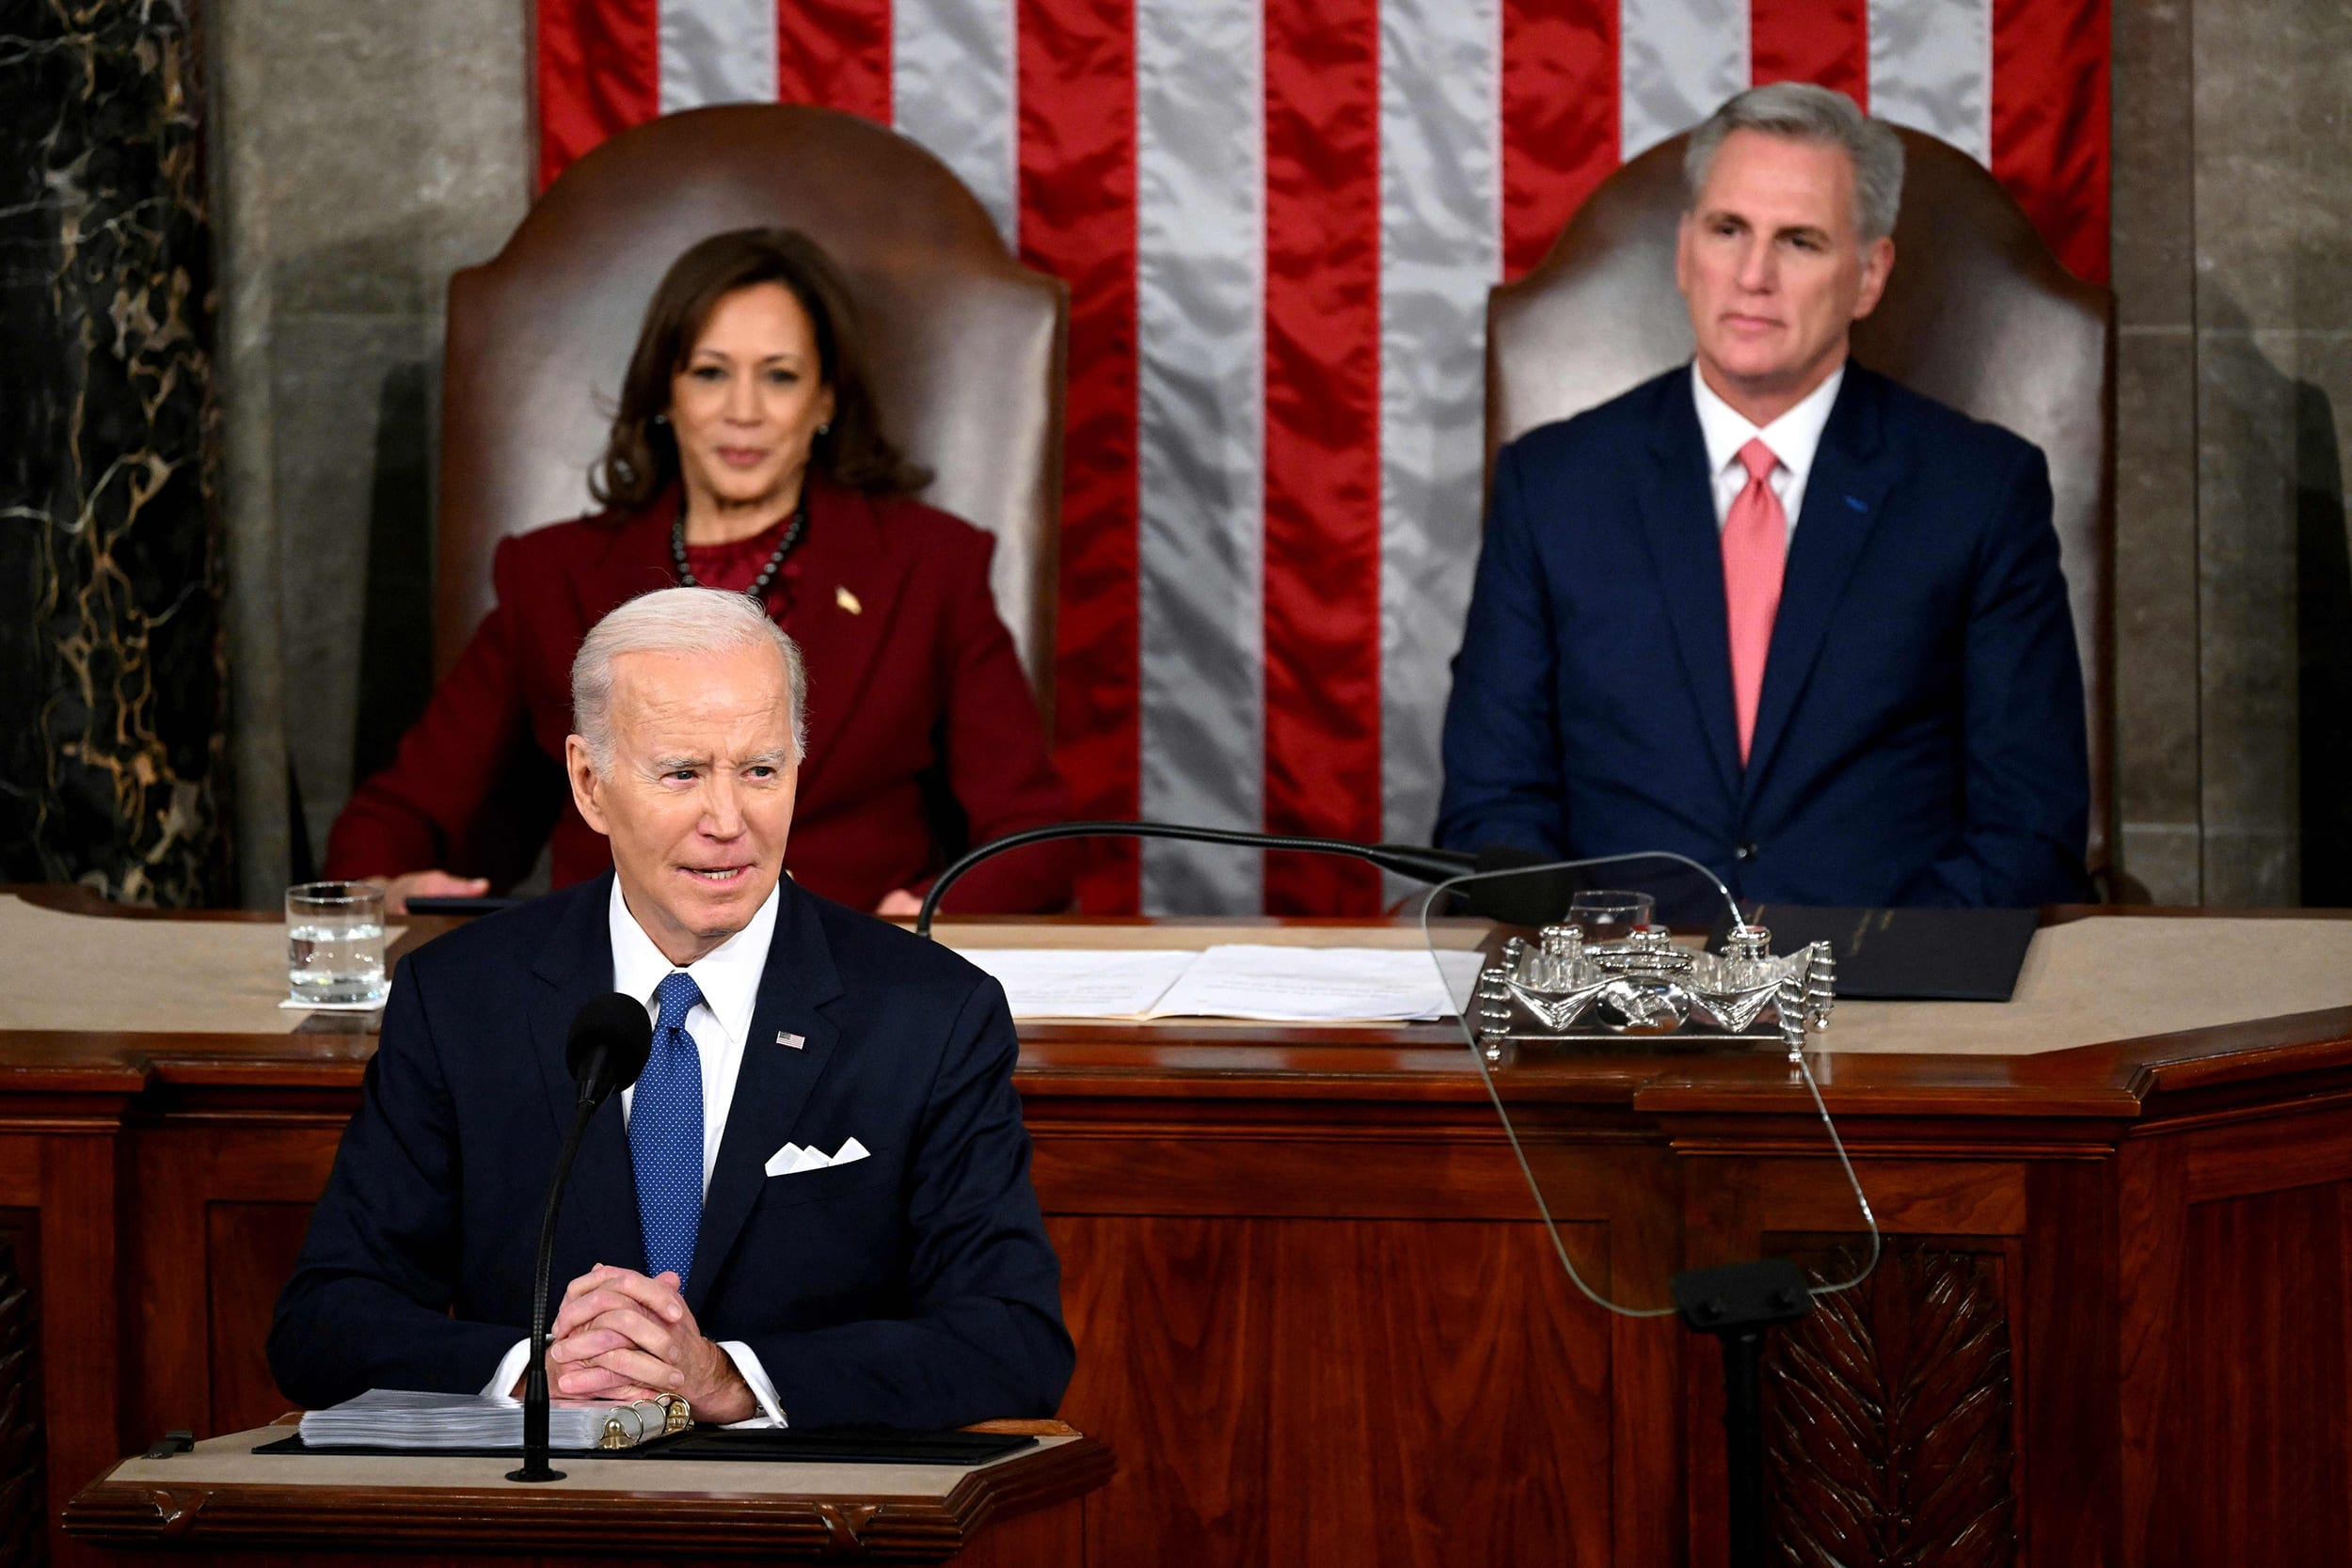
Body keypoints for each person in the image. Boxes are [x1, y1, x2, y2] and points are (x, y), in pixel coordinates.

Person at [270, 588, 1073, 1427]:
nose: (728, 821)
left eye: (760, 770)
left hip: (815, 1531)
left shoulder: (933, 1014)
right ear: (589, 782)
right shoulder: (461, 999)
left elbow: (1013, 1341)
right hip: (540, 1530)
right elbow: (323, 1322)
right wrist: (534, 1372)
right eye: (682, 773)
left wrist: (732, 1378)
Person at [1436, 83, 2090, 909]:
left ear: (1868, 276)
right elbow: (1492, 812)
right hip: (1622, 1011)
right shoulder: (1553, 487)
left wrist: (1870, 980)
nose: (1753, 275)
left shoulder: (1980, 493)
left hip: (1889, 1008)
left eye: (1801, 241)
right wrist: (1609, 973)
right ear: (1684, 253)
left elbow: (2028, 830)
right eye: (1728, 230)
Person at [324, 227, 1077, 918]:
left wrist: (928, 913)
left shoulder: (929, 565)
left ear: (825, 400)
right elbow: (393, 819)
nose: (742, 410)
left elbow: (1035, 838)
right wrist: (389, 889)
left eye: (779, 377)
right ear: (666, 394)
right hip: (617, 1000)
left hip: (851, 991)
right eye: (711, 373)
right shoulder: (553, 575)